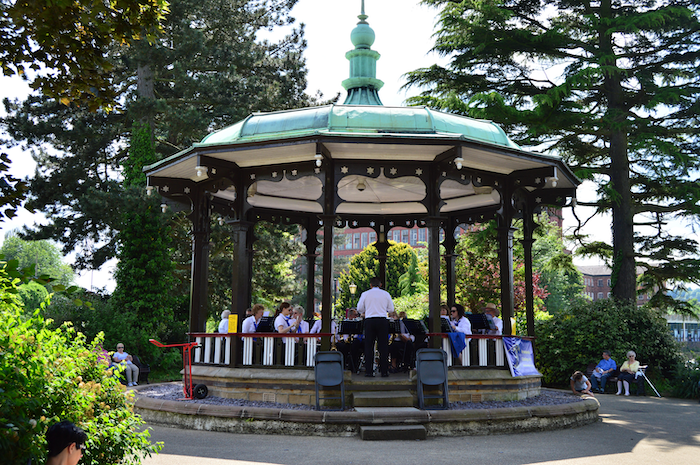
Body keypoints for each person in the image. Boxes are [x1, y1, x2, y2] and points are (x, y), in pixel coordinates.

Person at [357, 277, 394, 377]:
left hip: (370, 320)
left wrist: (367, 310)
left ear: (370, 285)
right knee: (383, 347)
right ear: (380, 284)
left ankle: (369, 371)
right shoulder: (386, 294)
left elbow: (359, 308)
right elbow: (391, 309)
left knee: (369, 346)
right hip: (382, 320)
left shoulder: (365, 294)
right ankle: (384, 371)